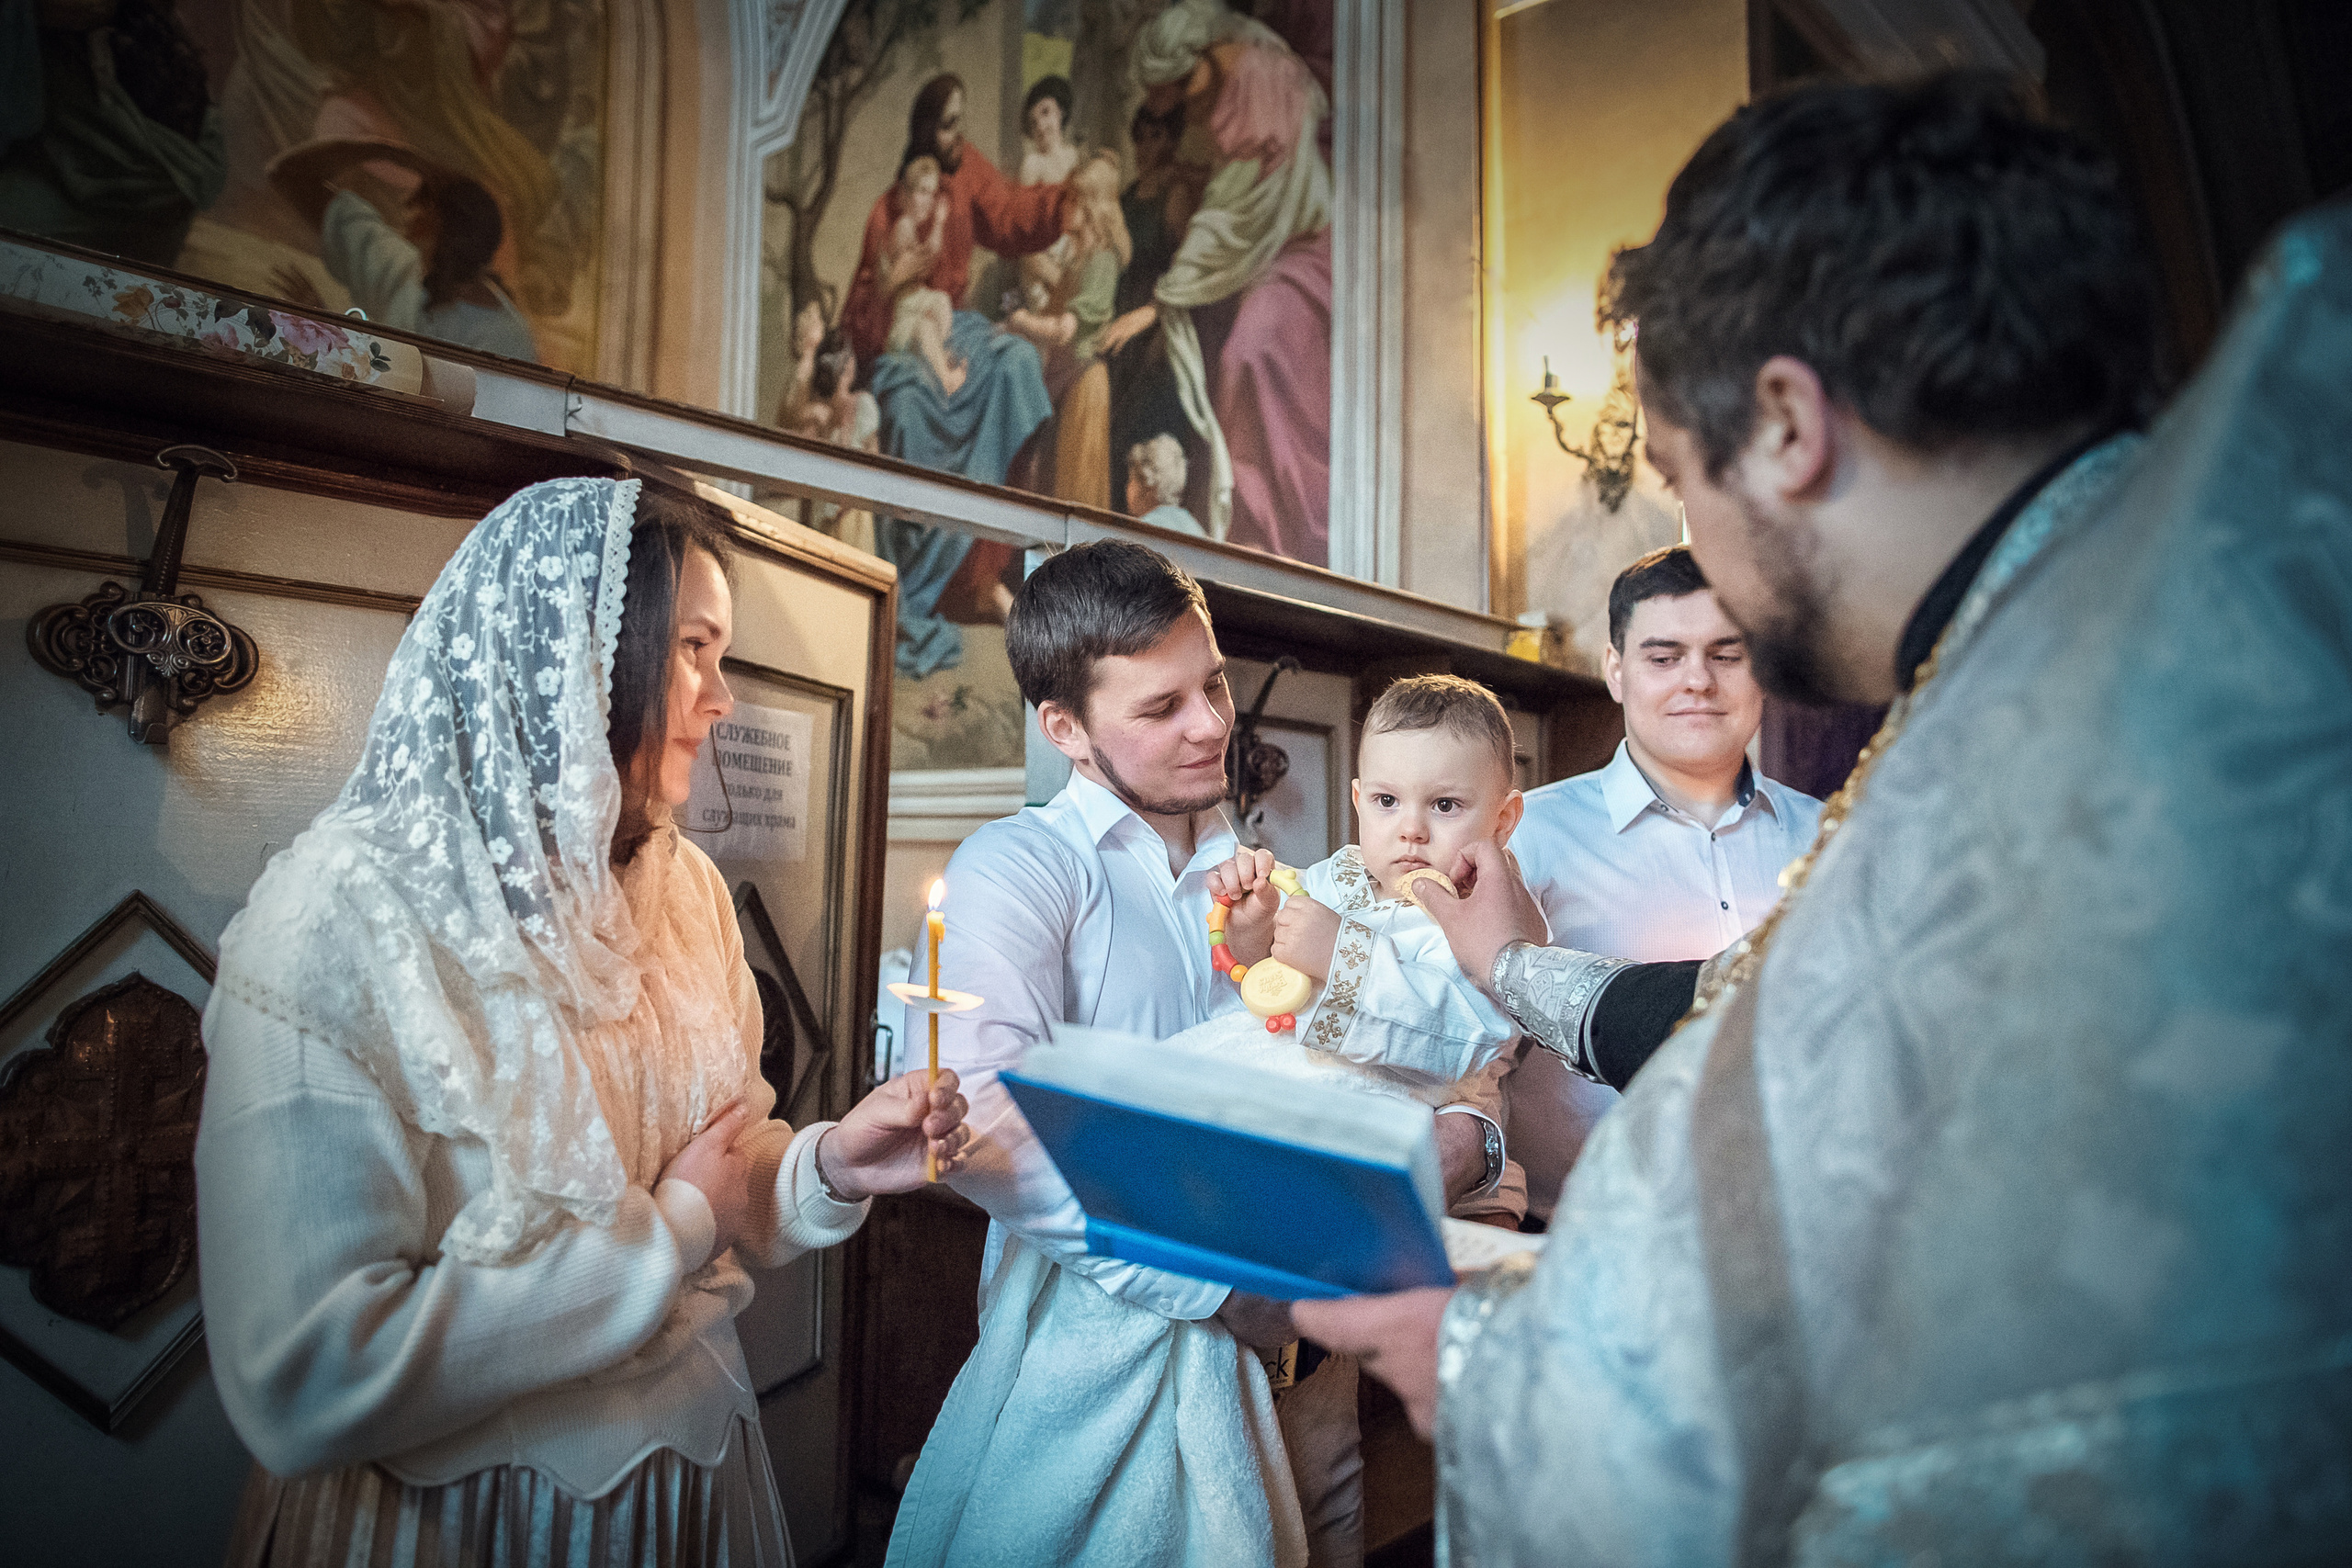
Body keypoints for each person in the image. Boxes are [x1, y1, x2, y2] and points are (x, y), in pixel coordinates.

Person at [1295, 72, 2352, 1564]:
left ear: (1785, 424)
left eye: (1677, 474)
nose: (1704, 566)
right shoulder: (2142, 601)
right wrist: (1517, 971)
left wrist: (1461, 1363)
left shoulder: (2026, 749)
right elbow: (1759, 1011)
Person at [197, 476, 973, 1565]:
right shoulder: (336, 920)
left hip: (694, 1489)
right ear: (576, 660)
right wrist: (673, 1235)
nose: (722, 697)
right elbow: (307, 1377)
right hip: (468, 1520)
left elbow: (715, 1157)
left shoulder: (681, 883)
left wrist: (829, 1166)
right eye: (694, 650)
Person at [884, 543, 1509, 1568]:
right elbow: (987, 1123)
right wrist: (1224, 1295)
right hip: (1125, 1357)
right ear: (1065, 730)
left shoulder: (1287, 882)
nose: (1212, 724)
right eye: (1160, 707)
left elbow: (1425, 1052)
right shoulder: (1020, 871)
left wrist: (1473, 1141)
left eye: (1211, 683)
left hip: (1320, 1364)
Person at [1500, 545, 1822, 1217]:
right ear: (1615, 671)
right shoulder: (1525, 836)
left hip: (1786, 1224)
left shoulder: (1830, 839)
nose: (1698, 680)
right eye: (1664, 656)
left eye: (1726, 654)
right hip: (1575, 1234)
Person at [847, 74, 1062, 679]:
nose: (957, 134)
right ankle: (926, 579)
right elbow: (863, 318)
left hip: (953, 326)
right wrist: (892, 286)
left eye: (960, 120)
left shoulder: (962, 177)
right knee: (910, 407)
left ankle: (984, 571)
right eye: (946, 124)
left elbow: (1013, 214)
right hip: (899, 341)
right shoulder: (887, 210)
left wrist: (1067, 200)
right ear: (922, 132)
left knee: (1018, 364)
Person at [1100, 0, 1333, 557]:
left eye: (1179, 88)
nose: (1186, 105)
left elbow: (1231, 219)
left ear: (1199, 58)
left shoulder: (1257, 83)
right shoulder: (1235, 82)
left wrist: (1159, 304)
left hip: (1304, 249)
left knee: (1249, 353)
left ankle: (1265, 541)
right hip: (1262, 255)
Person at [266, 135, 537, 361]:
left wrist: (327, 328)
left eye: (422, 202)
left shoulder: (505, 338)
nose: (408, 207)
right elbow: (289, 174)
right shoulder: (399, 267)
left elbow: (413, 398)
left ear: (438, 223)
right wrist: (383, 151)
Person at [1001, 152, 1132, 509]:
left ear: (1091, 205)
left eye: (1073, 197)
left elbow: (1064, 330)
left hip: (1083, 385)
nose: (1065, 204)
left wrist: (1019, 320)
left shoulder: (1102, 262)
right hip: (1061, 382)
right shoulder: (1081, 259)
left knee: (1074, 496)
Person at [881, 155, 966, 397]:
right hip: (905, 320)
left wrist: (937, 224)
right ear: (905, 196)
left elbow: (928, 258)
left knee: (941, 300)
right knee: (927, 325)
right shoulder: (903, 225)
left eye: (932, 193)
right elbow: (927, 257)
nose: (929, 200)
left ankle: (941, 354)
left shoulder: (910, 227)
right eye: (922, 191)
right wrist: (939, 223)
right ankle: (946, 379)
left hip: (917, 305)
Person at [1126, 433, 1204, 535]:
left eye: (1131, 480)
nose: (1127, 488)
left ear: (1147, 482)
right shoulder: (1194, 526)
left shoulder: (1144, 529)